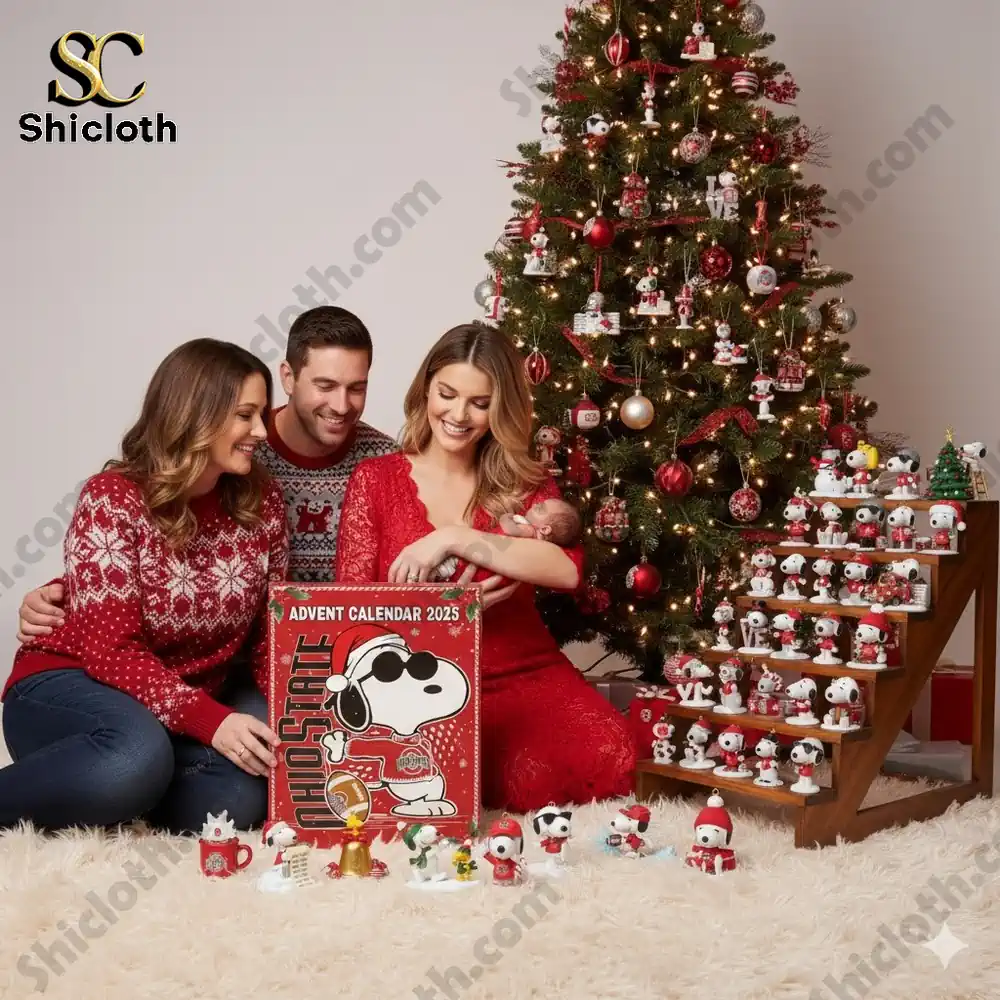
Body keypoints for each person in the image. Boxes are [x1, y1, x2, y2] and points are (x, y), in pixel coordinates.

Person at [16, 307, 518, 638]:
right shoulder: (237, 452)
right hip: (232, 646)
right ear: (289, 377)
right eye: (325, 385)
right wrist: (65, 593)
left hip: (333, 650)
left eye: (357, 387)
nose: (342, 405)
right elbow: (171, 534)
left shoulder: (383, 461)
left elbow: (410, 566)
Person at [334, 322, 639, 811]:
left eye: (480, 403)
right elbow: (350, 609)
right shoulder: (376, 480)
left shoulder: (522, 481)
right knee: (507, 778)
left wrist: (454, 538)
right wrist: (452, 611)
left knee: (613, 755)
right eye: (447, 394)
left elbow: (565, 571)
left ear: (501, 408)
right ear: (425, 389)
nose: (459, 415)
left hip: (527, 672)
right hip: (420, 686)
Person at [0, 340, 289, 835]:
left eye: (261, 414)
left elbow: (269, 631)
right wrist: (211, 721)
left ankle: (118, 788)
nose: (262, 431)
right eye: (246, 416)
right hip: (73, 685)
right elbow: (111, 651)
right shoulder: (112, 498)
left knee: (242, 795)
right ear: (196, 415)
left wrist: (295, 712)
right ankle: (118, 774)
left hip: (172, 705)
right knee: (136, 755)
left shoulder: (263, 503)